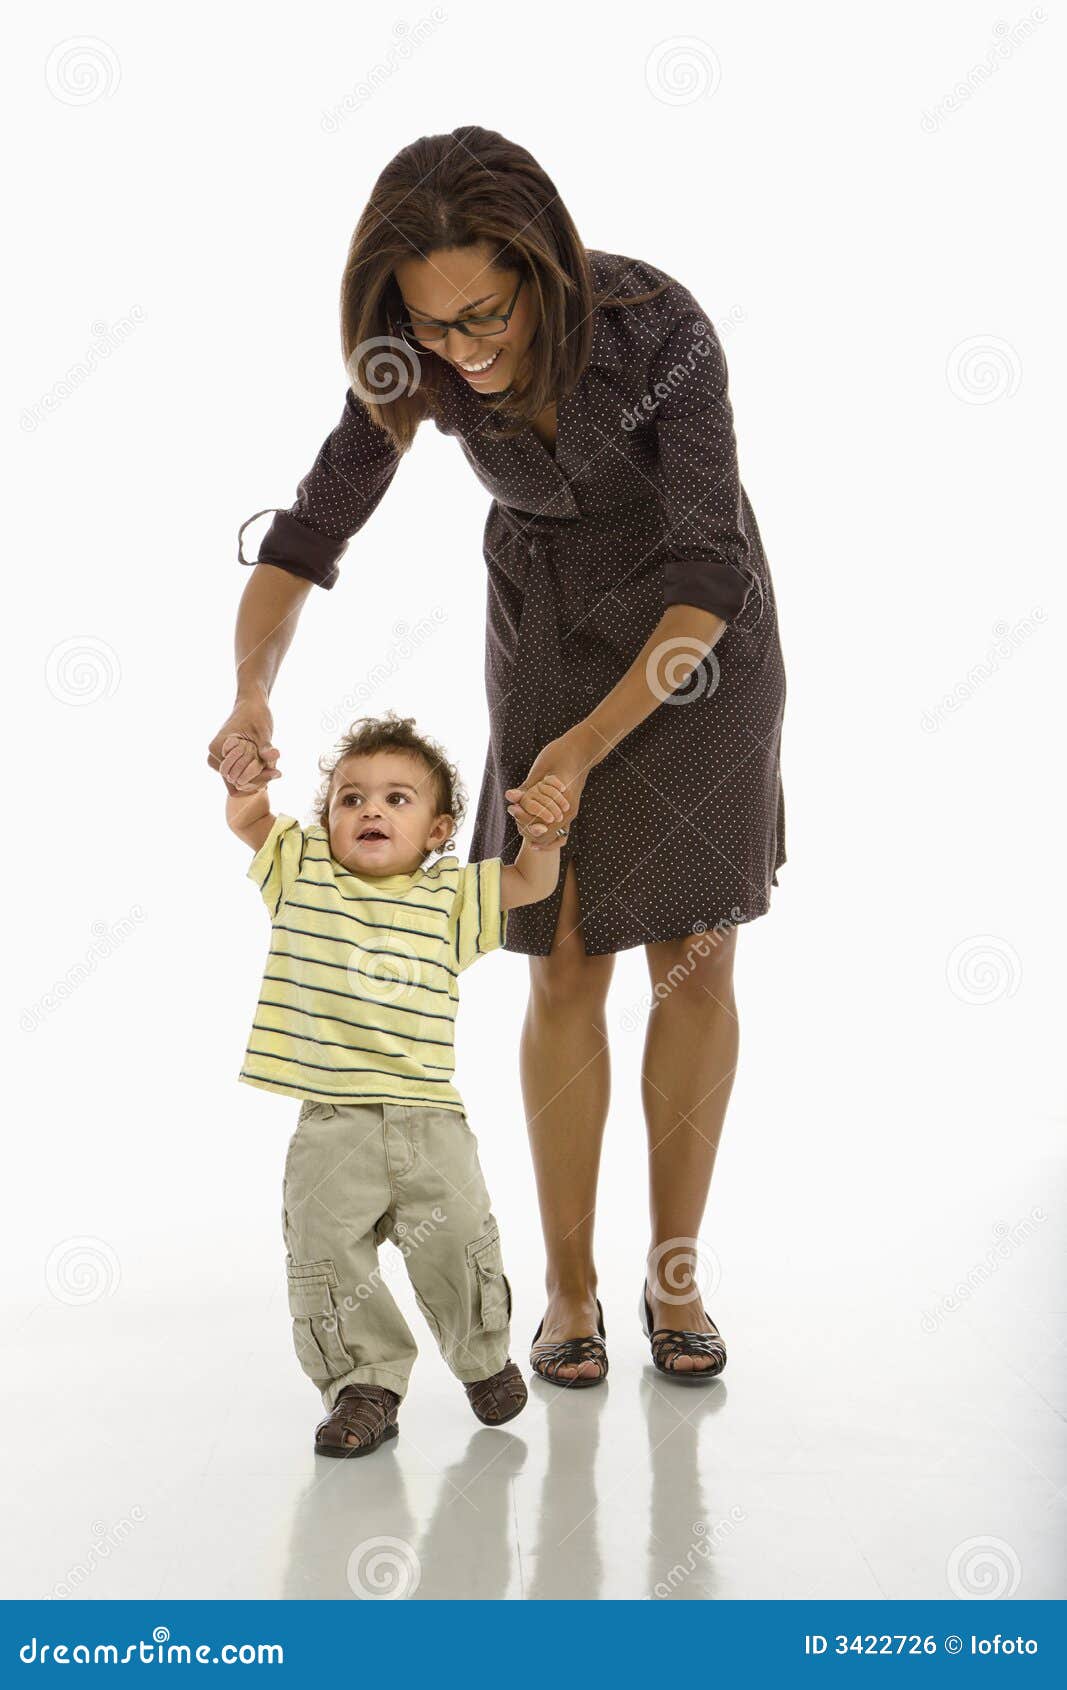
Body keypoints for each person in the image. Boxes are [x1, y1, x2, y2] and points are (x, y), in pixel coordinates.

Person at [210, 124, 787, 1390]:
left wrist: (588, 749)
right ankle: (569, 1287)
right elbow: (313, 526)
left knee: (689, 951)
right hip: (546, 628)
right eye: (432, 329)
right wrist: (252, 686)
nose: (463, 352)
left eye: (485, 314)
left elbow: (702, 570)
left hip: (694, 638)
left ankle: (672, 1270)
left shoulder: (660, 332)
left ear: (544, 266)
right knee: (563, 949)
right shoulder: (413, 359)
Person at [224, 709, 570, 1454]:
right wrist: (243, 780)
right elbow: (251, 820)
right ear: (326, 821)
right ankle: (363, 1385)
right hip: (331, 1125)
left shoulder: (451, 896)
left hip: (431, 1121)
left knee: (459, 1247)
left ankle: (480, 1360)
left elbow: (530, 883)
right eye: (350, 799)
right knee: (324, 1255)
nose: (370, 809)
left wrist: (543, 838)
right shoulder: (303, 870)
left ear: (440, 829)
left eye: (396, 799)